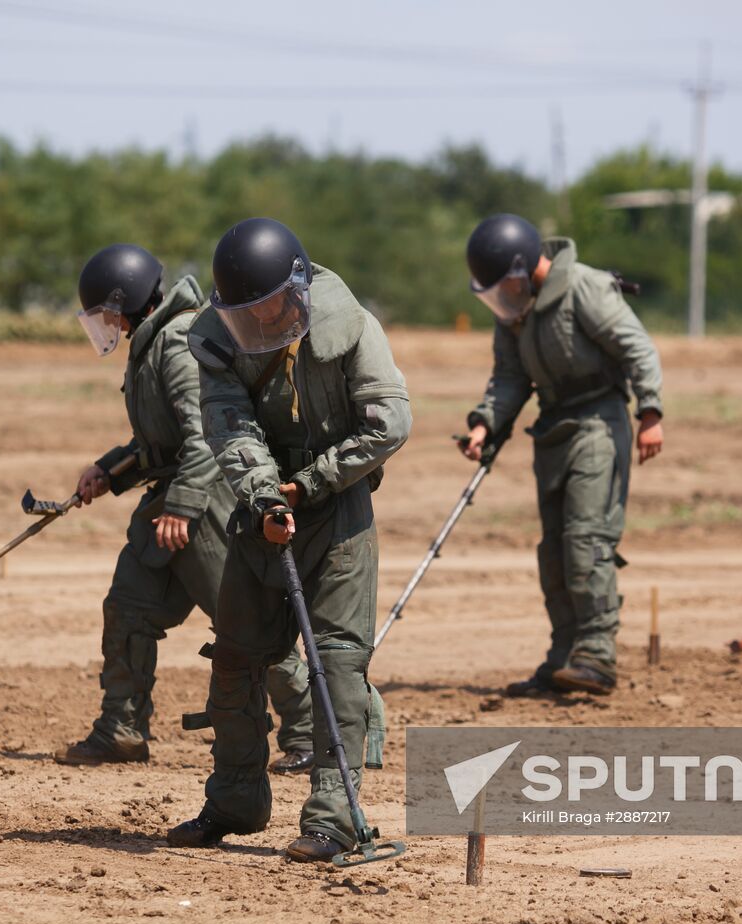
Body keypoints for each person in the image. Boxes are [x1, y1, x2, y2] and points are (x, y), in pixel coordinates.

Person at [167, 218, 411, 862]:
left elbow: (390, 423)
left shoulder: (354, 327)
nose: (260, 322)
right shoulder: (220, 342)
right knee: (236, 658)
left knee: (337, 665)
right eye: (245, 314)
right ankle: (234, 801)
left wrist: (311, 483)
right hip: (263, 507)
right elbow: (228, 421)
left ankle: (334, 821)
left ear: (298, 286)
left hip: (337, 512)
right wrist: (267, 493)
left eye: (269, 306)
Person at [54, 243, 314, 772]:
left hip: (205, 507)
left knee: (251, 622)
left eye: (106, 313)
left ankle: (311, 734)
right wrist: (110, 470)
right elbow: (160, 440)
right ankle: (121, 729)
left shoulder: (176, 342)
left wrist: (185, 506)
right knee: (129, 608)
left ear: (127, 303)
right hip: (170, 508)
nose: (105, 324)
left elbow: (203, 437)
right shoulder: (152, 341)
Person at [459, 213, 664, 698]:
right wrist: (485, 422)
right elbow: (509, 377)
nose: (500, 300)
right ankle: (563, 657)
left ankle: (596, 655)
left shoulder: (584, 289)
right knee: (553, 552)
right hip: (553, 428)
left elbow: (638, 349)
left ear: (524, 268)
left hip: (599, 422)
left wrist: (650, 412)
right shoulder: (514, 310)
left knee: (585, 540)